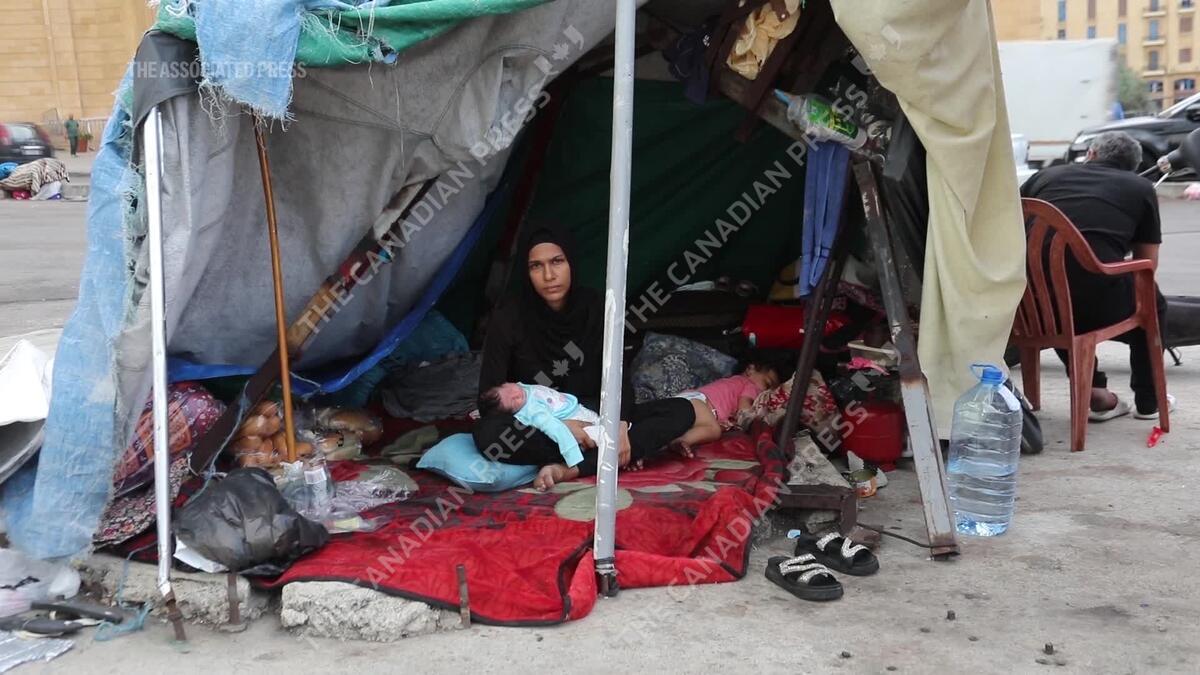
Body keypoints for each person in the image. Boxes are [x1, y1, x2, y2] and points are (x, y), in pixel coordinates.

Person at [473, 222, 695, 490]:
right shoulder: (509, 316)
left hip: (594, 413)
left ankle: (570, 466)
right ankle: (605, 454)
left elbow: (619, 378)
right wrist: (561, 427)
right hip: (537, 420)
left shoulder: (595, 307)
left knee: (682, 410)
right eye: (536, 266)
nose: (548, 275)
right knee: (489, 435)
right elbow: (488, 398)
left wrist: (620, 425)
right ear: (526, 271)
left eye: (557, 262)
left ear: (571, 262)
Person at [1019, 130, 1174, 420]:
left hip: (1028, 304)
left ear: (1090, 154)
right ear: (1132, 167)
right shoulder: (1139, 187)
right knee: (1152, 301)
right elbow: (1146, 264)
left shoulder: (1044, 177)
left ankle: (1095, 391)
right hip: (1094, 305)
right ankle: (1149, 401)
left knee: (1059, 286)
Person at [671, 359, 782, 455]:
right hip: (701, 404)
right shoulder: (750, 385)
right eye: (767, 384)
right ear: (750, 369)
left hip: (686, 399)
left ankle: (671, 436)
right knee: (713, 431)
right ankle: (682, 441)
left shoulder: (732, 381)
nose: (768, 392)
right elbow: (744, 410)